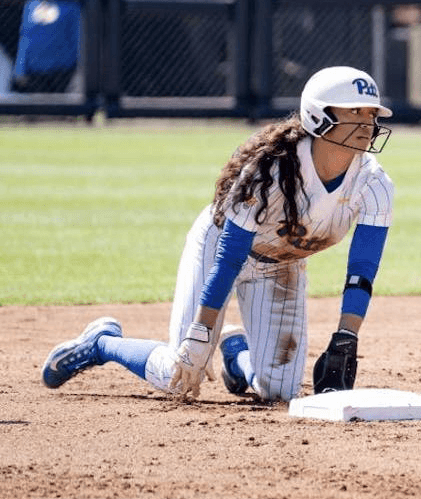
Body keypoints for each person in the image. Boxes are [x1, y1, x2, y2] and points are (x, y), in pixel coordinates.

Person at [41, 66, 395, 402]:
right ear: (319, 115)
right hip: (219, 249)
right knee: (178, 374)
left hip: (281, 266)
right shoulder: (271, 169)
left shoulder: (374, 183)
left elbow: (362, 270)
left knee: (280, 391)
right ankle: (102, 343)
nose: (367, 123)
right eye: (355, 112)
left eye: (371, 114)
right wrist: (201, 332)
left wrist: (347, 337)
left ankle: (236, 356)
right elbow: (229, 256)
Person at [13, 0, 81, 93]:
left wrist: (80, 70)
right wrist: (20, 68)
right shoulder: (31, 4)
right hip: (35, 74)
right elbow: (25, 37)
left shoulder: (71, 5)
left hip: (62, 73)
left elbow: (78, 38)